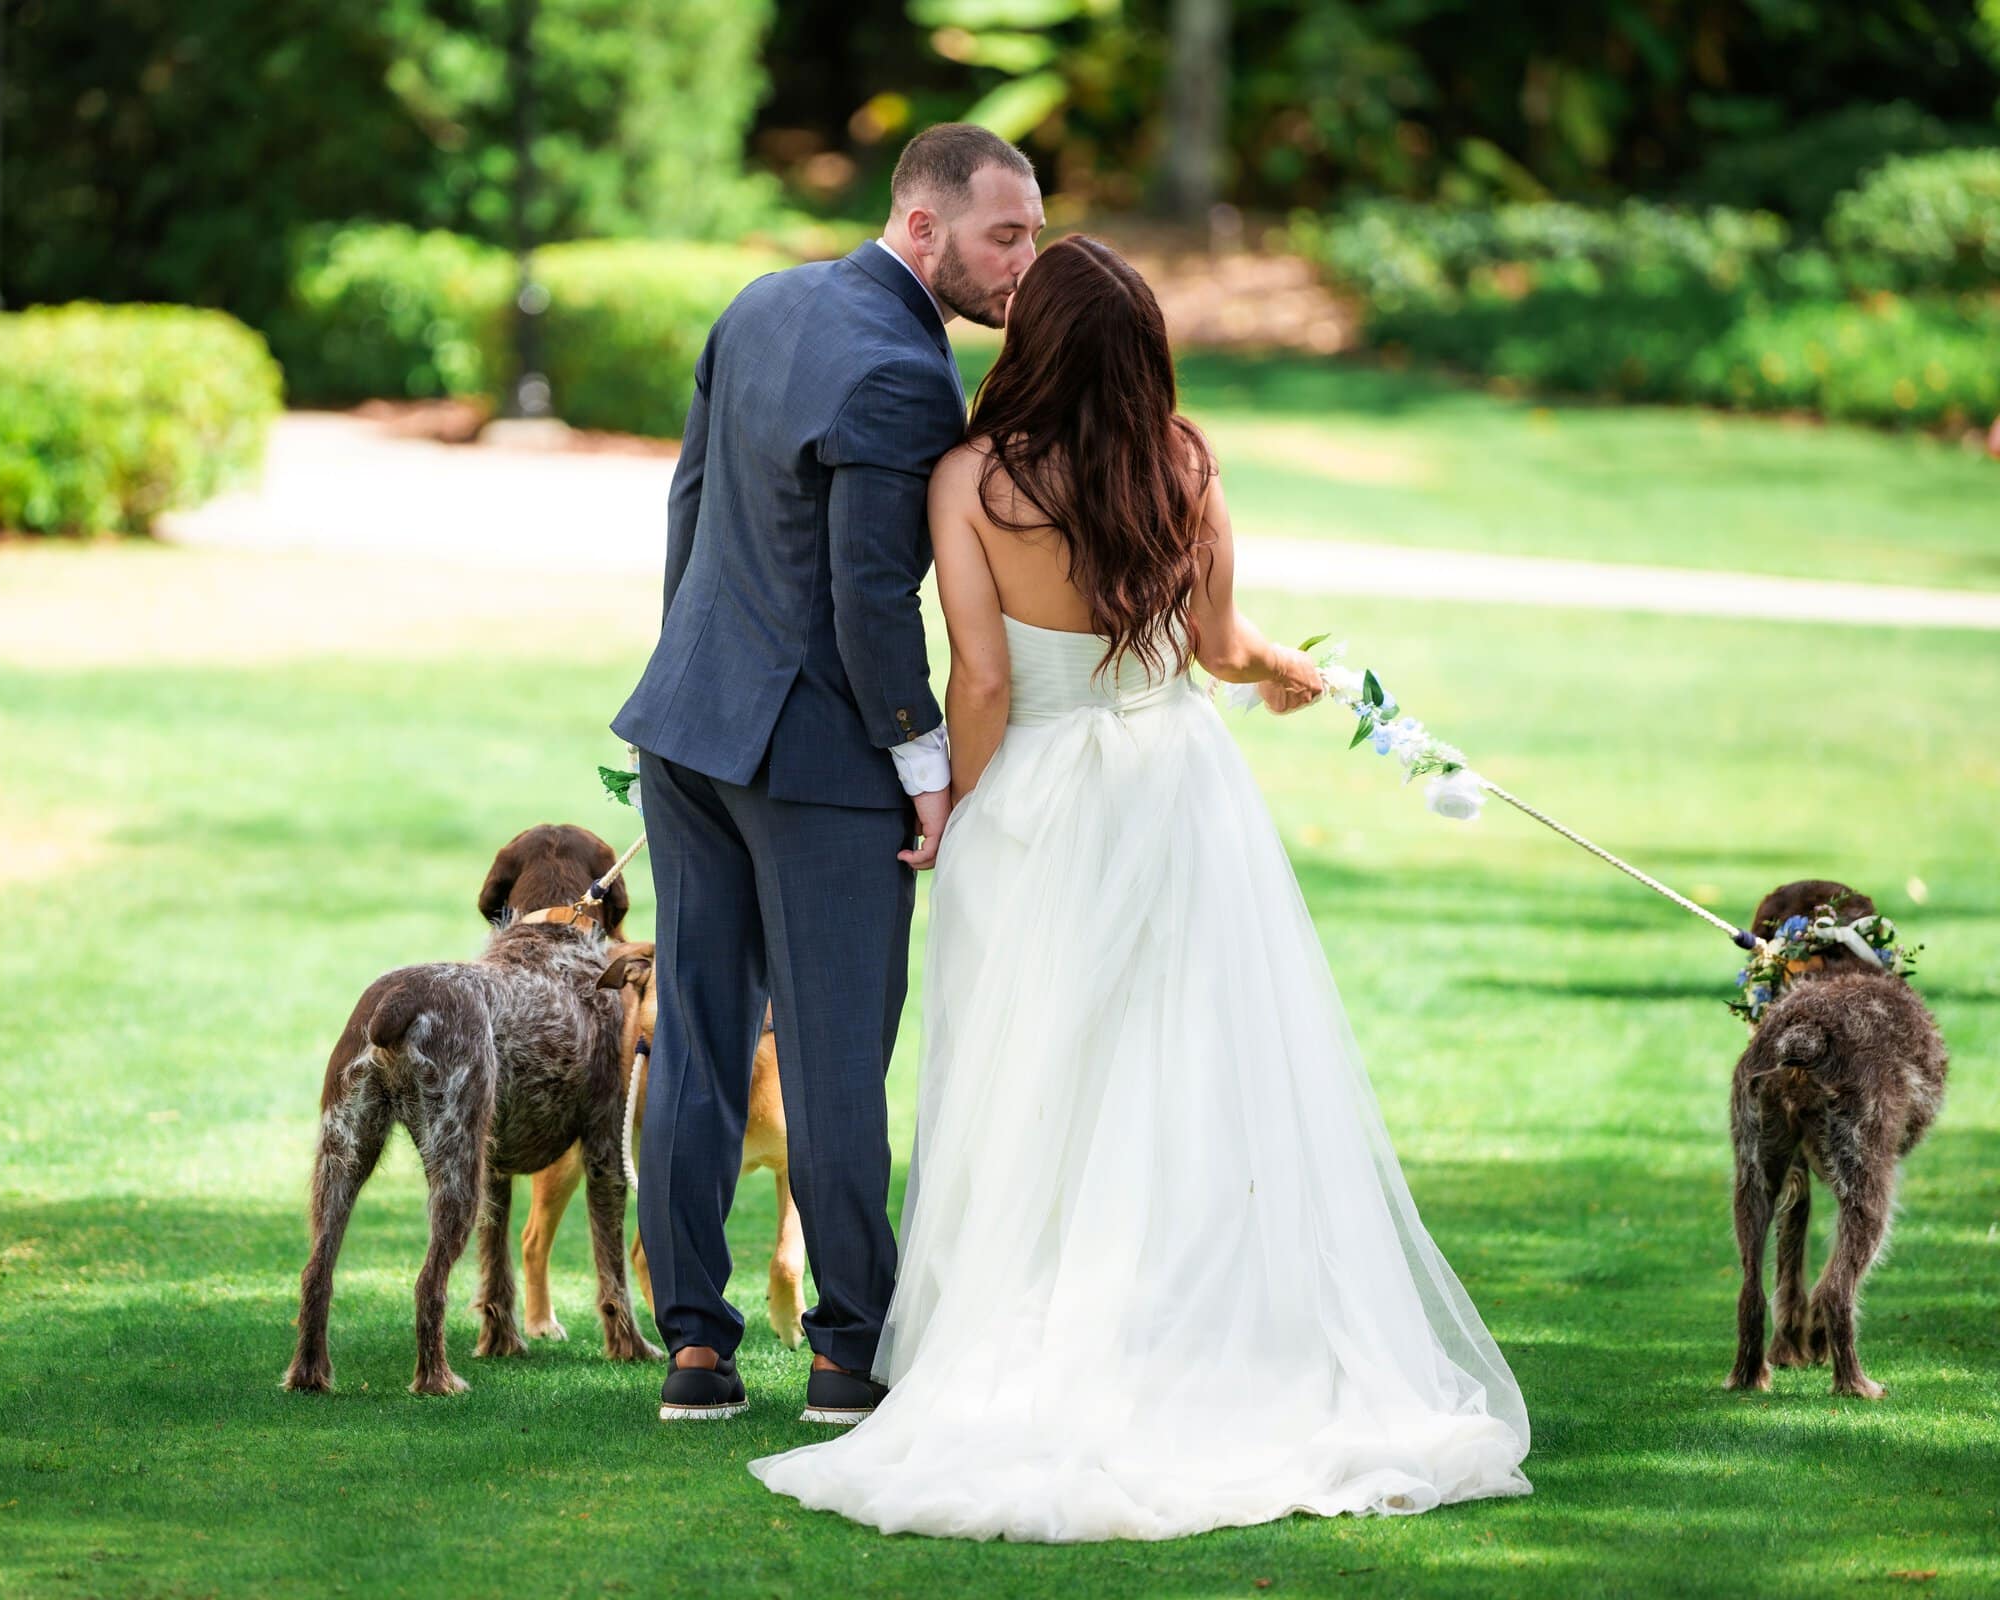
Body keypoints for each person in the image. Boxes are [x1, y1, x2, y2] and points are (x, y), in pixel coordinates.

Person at [746, 233, 1535, 1541]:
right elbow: (1218, 647)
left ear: (1032, 344)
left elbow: (985, 683)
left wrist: (950, 808)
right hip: (1180, 787)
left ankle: (1027, 1339)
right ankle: (1199, 1340)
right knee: (1194, 1070)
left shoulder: (974, 478)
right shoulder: (1186, 464)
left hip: (1042, 797)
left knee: (1028, 1073)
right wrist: (1287, 670)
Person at [611, 123, 1041, 1424]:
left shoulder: (763, 300)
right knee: (840, 1058)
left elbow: (688, 512)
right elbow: (869, 598)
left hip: (688, 730)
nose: (1025, 263)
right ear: (925, 228)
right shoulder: (907, 372)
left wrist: (692, 679)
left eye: (1033, 234)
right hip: (815, 761)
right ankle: (848, 1354)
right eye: (1003, 236)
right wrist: (924, 763)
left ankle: (695, 1351)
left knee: (695, 1040)